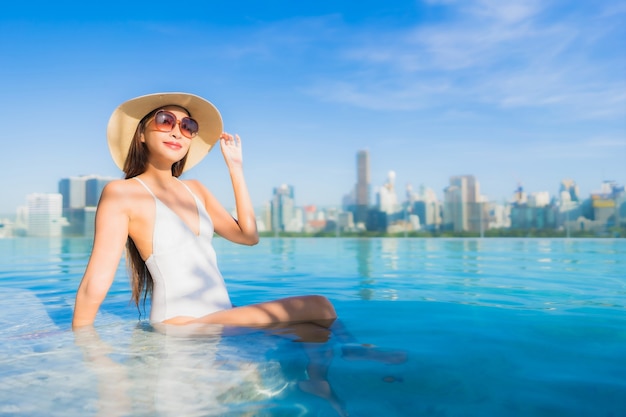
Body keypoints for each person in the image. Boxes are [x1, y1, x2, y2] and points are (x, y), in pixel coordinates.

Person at [72, 92, 337, 329]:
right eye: (165, 121)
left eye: (187, 127)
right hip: (179, 323)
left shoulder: (195, 190)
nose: (177, 132)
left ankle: (322, 382)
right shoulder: (122, 193)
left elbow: (248, 236)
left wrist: (235, 169)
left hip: (219, 316)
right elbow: (95, 282)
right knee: (320, 307)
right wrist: (81, 344)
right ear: (141, 134)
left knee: (313, 333)